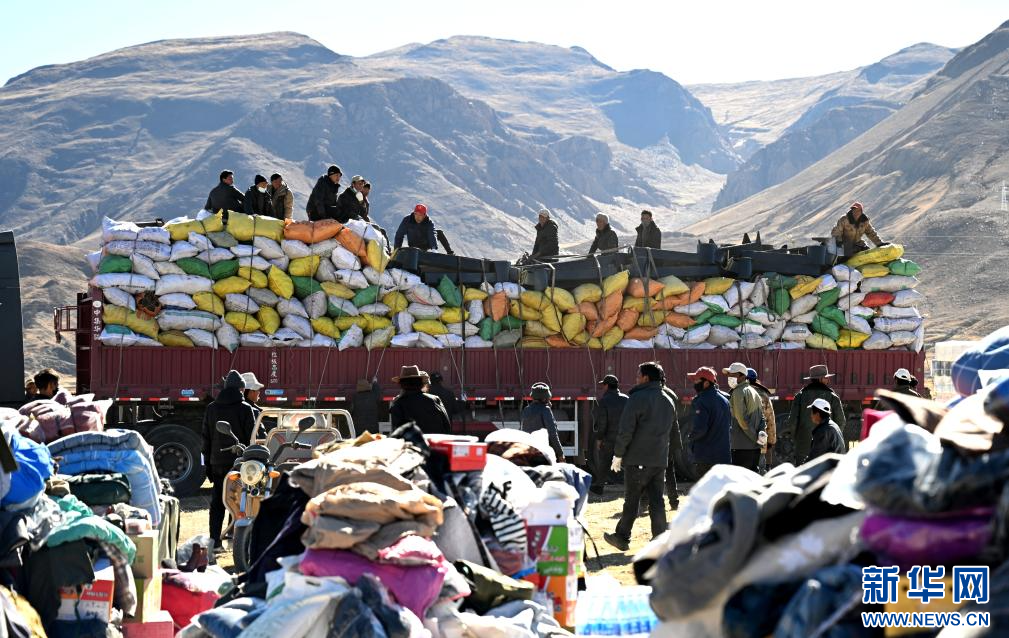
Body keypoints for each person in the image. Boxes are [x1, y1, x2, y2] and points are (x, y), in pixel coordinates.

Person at [603, 361, 675, 551]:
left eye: (638, 374)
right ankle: (659, 540)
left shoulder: (637, 398)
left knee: (632, 499)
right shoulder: (668, 399)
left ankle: (622, 537)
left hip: (638, 459)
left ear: (646, 377)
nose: (636, 377)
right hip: (659, 459)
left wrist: (618, 454)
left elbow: (626, 430)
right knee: (657, 501)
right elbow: (672, 432)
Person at [201, 370, 256, 550]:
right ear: (241, 389)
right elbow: (252, 438)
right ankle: (236, 538)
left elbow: (206, 439)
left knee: (218, 501)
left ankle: (215, 541)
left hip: (217, 463)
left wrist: (208, 465)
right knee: (240, 500)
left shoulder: (212, 408)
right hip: (240, 463)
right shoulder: (245, 408)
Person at [784, 365, 846, 465]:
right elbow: (841, 422)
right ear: (820, 379)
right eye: (826, 377)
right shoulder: (833, 397)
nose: (828, 380)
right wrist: (832, 439)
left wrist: (798, 440)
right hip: (827, 451)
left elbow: (792, 423)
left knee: (803, 473)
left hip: (803, 448)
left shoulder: (800, 396)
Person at [685, 366, 731, 479]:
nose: (694, 383)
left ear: (706, 383)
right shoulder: (725, 400)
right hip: (723, 456)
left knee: (706, 488)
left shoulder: (701, 401)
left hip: (706, 457)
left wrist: (690, 438)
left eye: (697, 381)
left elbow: (700, 429)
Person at [723, 362, 765, 472]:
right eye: (729, 375)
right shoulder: (753, 391)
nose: (729, 377)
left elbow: (742, 421)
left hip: (741, 447)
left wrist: (755, 438)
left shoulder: (738, 392)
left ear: (742, 376)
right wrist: (759, 437)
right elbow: (762, 417)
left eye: (733, 374)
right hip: (754, 448)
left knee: (739, 480)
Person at [590, 375, 628, 495]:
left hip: (610, 439)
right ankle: (635, 487)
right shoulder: (626, 399)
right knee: (629, 463)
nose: (602, 387)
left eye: (603, 385)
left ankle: (599, 486)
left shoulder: (604, 401)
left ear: (607, 386)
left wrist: (599, 438)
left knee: (605, 462)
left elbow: (602, 423)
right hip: (625, 438)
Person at [389, 365, 451, 435]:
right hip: (435, 440)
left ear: (401, 384)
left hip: (413, 441)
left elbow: (397, 432)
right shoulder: (434, 400)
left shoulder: (398, 404)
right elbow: (447, 426)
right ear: (421, 383)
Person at [521, 383, 565, 462]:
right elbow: (553, 434)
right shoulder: (545, 410)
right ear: (545, 398)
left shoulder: (526, 410)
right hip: (542, 454)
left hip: (528, 453)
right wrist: (560, 454)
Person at [747, 368, 777, 466]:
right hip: (760, 444)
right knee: (760, 470)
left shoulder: (739, 394)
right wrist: (771, 441)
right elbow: (770, 420)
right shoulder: (764, 395)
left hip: (741, 446)